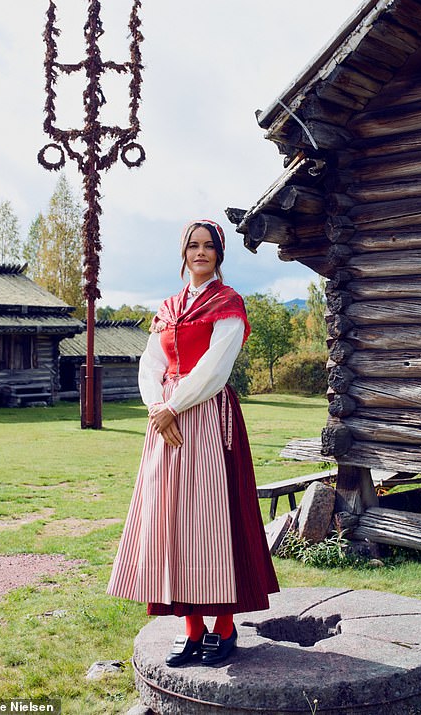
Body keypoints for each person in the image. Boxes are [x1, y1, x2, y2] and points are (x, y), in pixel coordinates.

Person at [107, 219, 279, 667]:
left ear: (219, 254)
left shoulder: (228, 303)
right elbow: (150, 363)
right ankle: (191, 629)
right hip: (165, 422)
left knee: (208, 522)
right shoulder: (166, 307)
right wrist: (154, 408)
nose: (200, 253)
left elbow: (213, 368)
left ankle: (223, 628)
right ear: (183, 253)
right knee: (172, 522)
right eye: (193, 246)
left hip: (203, 419)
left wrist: (173, 406)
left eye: (208, 247)